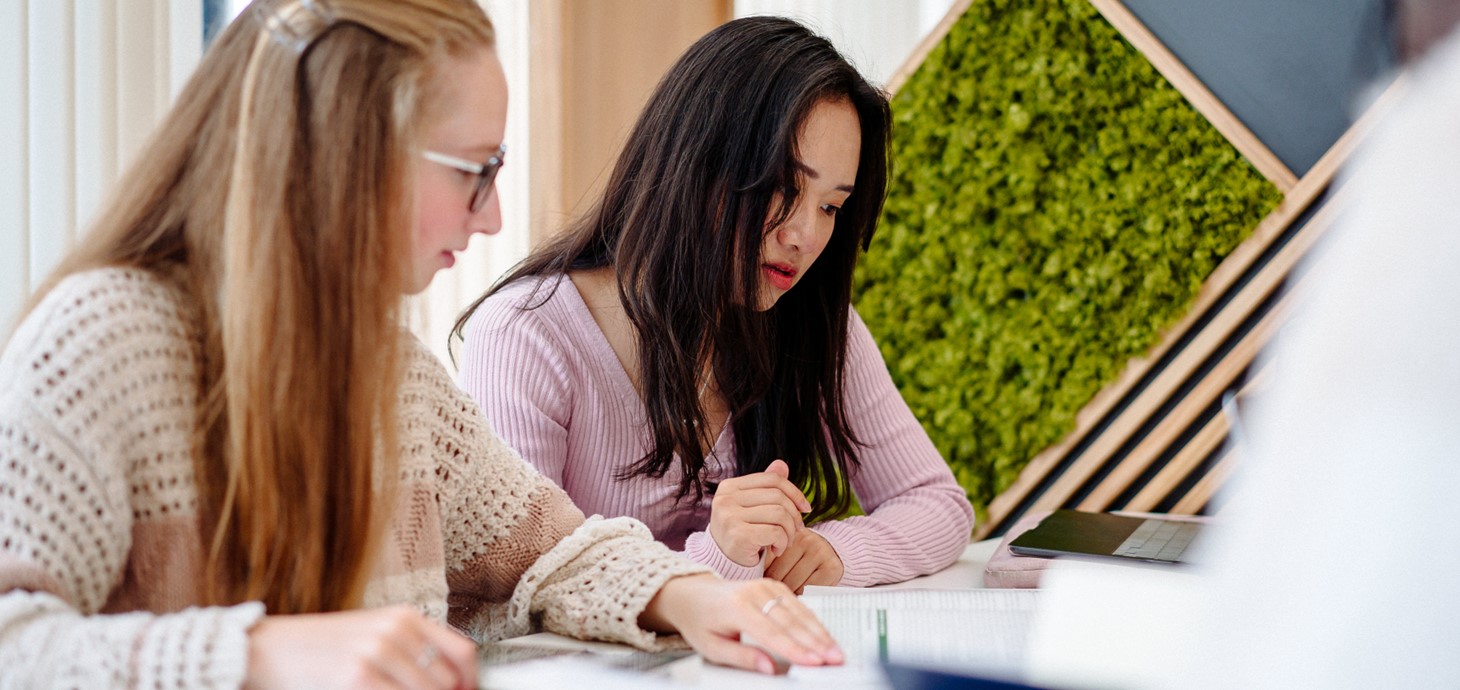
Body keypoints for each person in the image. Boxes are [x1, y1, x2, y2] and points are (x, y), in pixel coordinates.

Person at [0, 1, 843, 687]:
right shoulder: (98, 342)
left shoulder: (392, 375)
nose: (495, 217)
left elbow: (550, 553)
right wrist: (259, 656)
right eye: (474, 170)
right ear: (346, 153)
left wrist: (683, 592)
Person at [454, 16, 975, 592]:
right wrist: (719, 559)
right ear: (693, 163)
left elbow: (937, 503)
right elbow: (522, 588)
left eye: (830, 207)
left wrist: (832, 549)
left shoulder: (812, 323)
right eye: (784, 185)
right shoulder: (527, 334)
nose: (804, 234)